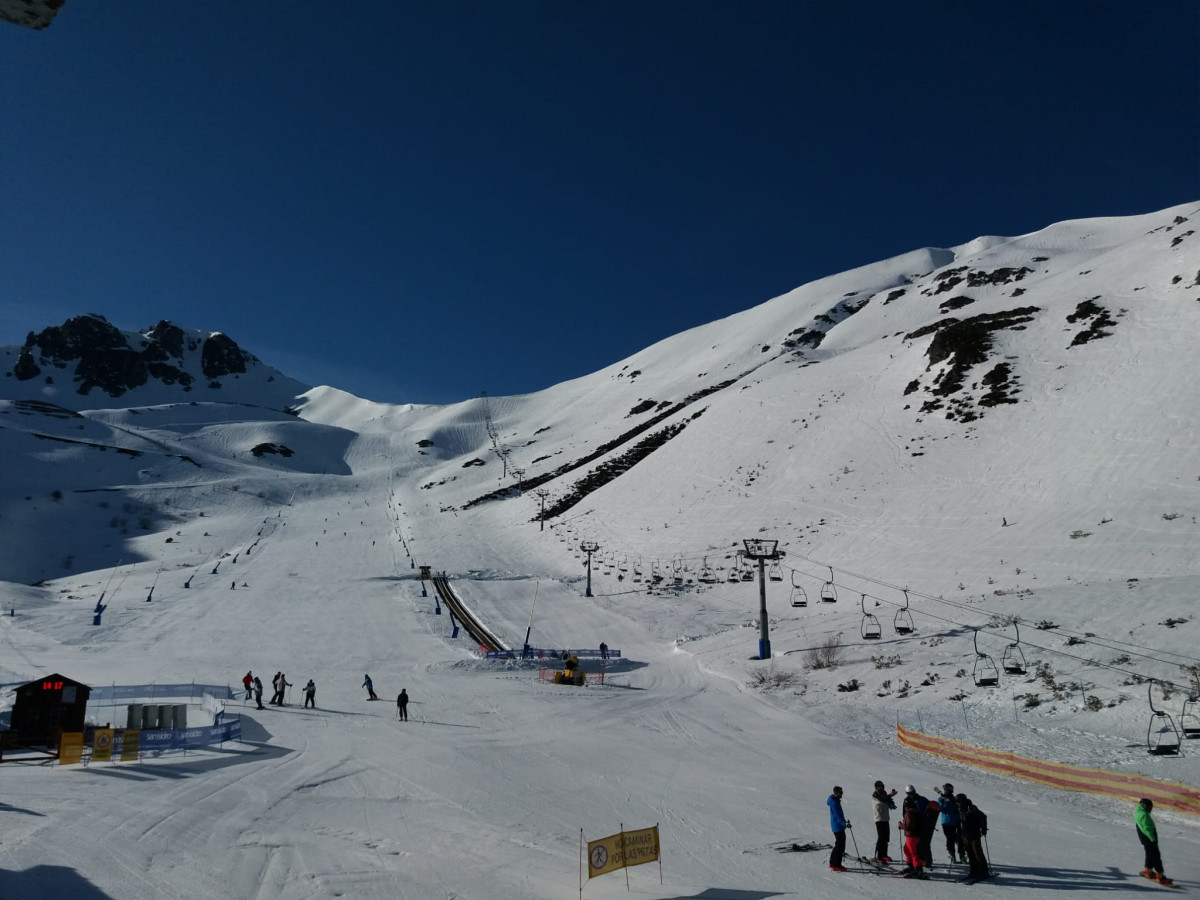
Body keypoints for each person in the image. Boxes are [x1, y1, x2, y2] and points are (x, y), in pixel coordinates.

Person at [1135, 798, 1172, 885]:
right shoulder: (1144, 815)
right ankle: (1160, 876)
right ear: (1145, 806)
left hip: (1145, 839)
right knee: (1156, 856)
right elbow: (1147, 829)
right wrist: (1153, 839)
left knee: (1149, 854)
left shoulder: (1139, 812)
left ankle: (1148, 871)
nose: (1151, 809)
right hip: (1149, 839)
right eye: (1150, 807)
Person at [957, 795, 990, 883]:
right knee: (970, 854)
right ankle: (973, 871)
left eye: (958, 802)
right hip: (965, 835)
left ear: (963, 801)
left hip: (974, 835)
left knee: (977, 853)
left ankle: (984, 871)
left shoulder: (971, 808)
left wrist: (983, 828)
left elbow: (983, 817)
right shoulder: (960, 809)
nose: (957, 804)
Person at [898, 795, 928, 878]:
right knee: (907, 850)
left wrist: (901, 825)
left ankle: (918, 869)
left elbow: (909, 826)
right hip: (912, 835)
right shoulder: (914, 812)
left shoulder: (910, 813)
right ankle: (912, 867)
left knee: (913, 852)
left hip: (912, 836)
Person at [937, 783, 967, 864]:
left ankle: (962, 856)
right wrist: (943, 802)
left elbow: (958, 808)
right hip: (946, 822)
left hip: (956, 821)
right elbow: (941, 809)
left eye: (948, 789)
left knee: (959, 839)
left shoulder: (954, 799)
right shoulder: (941, 799)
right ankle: (952, 855)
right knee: (950, 839)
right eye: (945, 789)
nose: (946, 791)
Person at [871, 780, 898, 863]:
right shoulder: (875, 794)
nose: (882, 789)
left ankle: (884, 855)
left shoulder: (884, 792)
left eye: (882, 787)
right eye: (880, 787)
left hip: (885, 817)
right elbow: (883, 799)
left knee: (886, 837)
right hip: (879, 818)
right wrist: (890, 795)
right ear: (876, 788)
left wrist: (891, 804)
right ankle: (878, 857)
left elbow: (887, 800)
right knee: (881, 837)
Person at [827, 785, 849, 872]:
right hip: (838, 826)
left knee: (838, 845)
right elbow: (836, 816)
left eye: (842, 792)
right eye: (840, 792)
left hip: (838, 826)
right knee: (840, 846)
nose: (841, 794)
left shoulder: (835, 800)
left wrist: (844, 822)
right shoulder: (834, 802)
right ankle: (836, 864)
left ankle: (832, 862)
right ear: (836, 793)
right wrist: (844, 823)